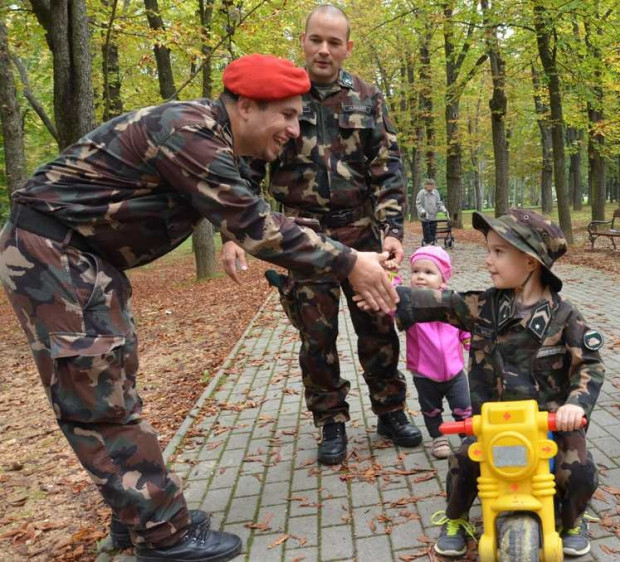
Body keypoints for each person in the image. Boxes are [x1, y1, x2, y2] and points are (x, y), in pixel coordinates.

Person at [0, 54, 398, 562]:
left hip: (81, 258)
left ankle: (139, 514)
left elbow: (253, 216)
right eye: (286, 115)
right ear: (247, 106)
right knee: (99, 400)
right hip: (55, 258)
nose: (295, 131)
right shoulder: (187, 132)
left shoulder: (208, 136)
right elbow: (253, 225)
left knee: (113, 387)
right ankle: (163, 537)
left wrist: (343, 252)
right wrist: (350, 262)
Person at [222, 4, 421, 465]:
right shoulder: (281, 97)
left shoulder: (368, 97)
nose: (324, 50)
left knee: (378, 326)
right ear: (304, 41)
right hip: (302, 236)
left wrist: (392, 230)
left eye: (334, 42)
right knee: (317, 336)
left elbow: (387, 168)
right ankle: (330, 421)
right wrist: (233, 232)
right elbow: (245, 168)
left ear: (347, 47)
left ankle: (391, 409)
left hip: (362, 233)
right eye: (316, 40)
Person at [389, 209, 605, 558]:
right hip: (494, 423)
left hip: (549, 424)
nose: (487, 260)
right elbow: (436, 302)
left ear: (531, 261)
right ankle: (455, 519)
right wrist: (382, 291)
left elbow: (589, 365)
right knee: (463, 461)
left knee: (579, 470)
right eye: (488, 250)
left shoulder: (565, 315)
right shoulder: (482, 306)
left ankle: (572, 521)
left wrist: (574, 405)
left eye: (498, 252)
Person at [404, 246, 471, 458]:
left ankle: (467, 437)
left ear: (443, 278)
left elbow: (463, 327)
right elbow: (390, 301)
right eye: (415, 271)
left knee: (463, 407)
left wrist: (470, 341)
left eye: (428, 272)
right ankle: (438, 437)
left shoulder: (451, 303)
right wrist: (390, 274)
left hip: (455, 372)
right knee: (431, 409)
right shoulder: (409, 305)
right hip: (424, 374)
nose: (420, 276)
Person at [416, 178, 447, 245]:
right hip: (425, 216)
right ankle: (428, 243)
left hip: (433, 216)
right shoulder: (421, 193)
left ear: (434, 186)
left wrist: (443, 209)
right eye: (428, 184)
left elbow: (438, 203)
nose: (430, 186)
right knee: (427, 232)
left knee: (433, 231)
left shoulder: (436, 192)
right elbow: (418, 204)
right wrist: (422, 211)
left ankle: (432, 243)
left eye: (432, 185)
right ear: (426, 185)